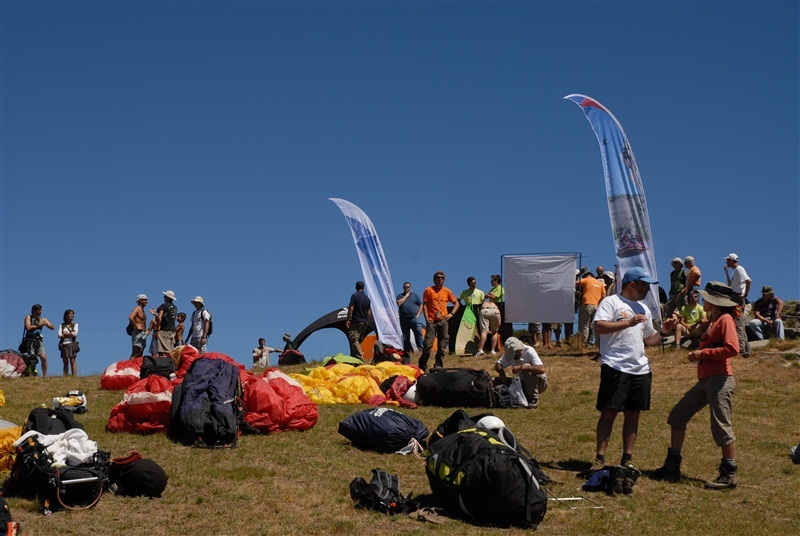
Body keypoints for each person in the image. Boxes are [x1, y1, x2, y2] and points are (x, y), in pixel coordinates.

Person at [591, 267, 676, 494]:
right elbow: (598, 327)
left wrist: (664, 331)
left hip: (640, 368)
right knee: (609, 412)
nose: (648, 289)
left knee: (633, 413)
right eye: (644, 284)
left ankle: (627, 458)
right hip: (615, 365)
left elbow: (649, 340)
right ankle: (599, 458)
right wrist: (627, 323)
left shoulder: (645, 309)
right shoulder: (611, 302)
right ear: (632, 284)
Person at [652, 282, 742, 489]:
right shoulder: (713, 320)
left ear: (715, 301)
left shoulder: (725, 319)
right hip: (706, 380)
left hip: (720, 379)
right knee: (677, 416)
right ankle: (672, 466)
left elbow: (732, 348)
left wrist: (703, 354)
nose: (703, 300)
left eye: (706, 297)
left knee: (721, 425)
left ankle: (729, 475)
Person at [419, 271, 460, 371]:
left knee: (442, 346)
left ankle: (438, 365)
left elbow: (457, 303)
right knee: (428, 345)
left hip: (443, 321)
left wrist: (452, 314)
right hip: (432, 321)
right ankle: (422, 366)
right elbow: (424, 305)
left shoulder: (447, 291)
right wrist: (427, 319)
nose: (440, 279)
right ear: (434, 280)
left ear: (444, 280)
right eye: (438, 277)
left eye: (442, 278)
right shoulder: (428, 290)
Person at [494, 336, 547, 408]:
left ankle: (533, 399)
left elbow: (541, 369)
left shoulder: (529, 351)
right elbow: (498, 364)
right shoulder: (511, 352)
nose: (513, 358)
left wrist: (522, 367)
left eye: (514, 356)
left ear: (518, 350)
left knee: (526, 367)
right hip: (521, 383)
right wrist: (501, 372)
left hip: (539, 383)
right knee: (495, 380)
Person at [723, 253, 751, 356]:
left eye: (727, 260)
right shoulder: (736, 271)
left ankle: (742, 350)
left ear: (731, 260)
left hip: (737, 298)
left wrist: (745, 294)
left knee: (738, 323)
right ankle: (746, 349)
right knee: (739, 324)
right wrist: (726, 273)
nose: (726, 262)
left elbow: (748, 281)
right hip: (735, 296)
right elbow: (731, 285)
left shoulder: (739, 269)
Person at [23, 304, 55, 377]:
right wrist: (38, 326)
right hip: (30, 339)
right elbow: (28, 327)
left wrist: (46, 324)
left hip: (39, 339)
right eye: (39, 310)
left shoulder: (42, 319)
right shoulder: (28, 317)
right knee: (32, 358)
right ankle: (31, 373)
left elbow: (52, 327)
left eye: (41, 310)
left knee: (43, 357)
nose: (40, 312)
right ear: (34, 310)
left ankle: (45, 375)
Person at [577, 268, 606, 347]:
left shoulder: (586, 280)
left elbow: (576, 283)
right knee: (595, 325)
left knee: (585, 325)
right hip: (597, 306)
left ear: (587, 276)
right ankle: (597, 344)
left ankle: (582, 343)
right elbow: (604, 295)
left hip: (587, 304)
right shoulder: (600, 283)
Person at [396, 281, 424, 361]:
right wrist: (406, 296)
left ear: (410, 287)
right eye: (405, 287)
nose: (406, 288)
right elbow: (399, 303)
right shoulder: (400, 296)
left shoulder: (415, 295)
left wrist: (418, 314)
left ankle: (421, 350)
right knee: (406, 337)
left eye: (408, 287)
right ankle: (407, 352)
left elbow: (421, 304)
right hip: (404, 319)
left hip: (414, 318)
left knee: (418, 334)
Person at [345, 281, 371, 361]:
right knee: (359, 341)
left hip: (356, 321)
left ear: (356, 288)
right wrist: (366, 318)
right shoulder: (367, 298)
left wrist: (348, 319)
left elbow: (351, 308)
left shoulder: (354, 296)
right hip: (364, 321)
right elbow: (369, 311)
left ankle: (360, 359)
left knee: (353, 339)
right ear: (363, 288)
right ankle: (354, 360)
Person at [153, 290, 178, 355]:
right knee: (169, 350)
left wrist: (157, 329)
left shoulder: (164, 306)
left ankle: (163, 364)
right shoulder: (175, 308)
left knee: (161, 351)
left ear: (167, 297)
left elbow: (159, 317)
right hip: (172, 330)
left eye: (165, 296)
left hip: (164, 331)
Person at [57, 309, 78, 376]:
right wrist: (70, 334)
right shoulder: (61, 325)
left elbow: (75, 333)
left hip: (72, 344)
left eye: (72, 314)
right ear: (66, 315)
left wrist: (65, 334)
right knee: (65, 362)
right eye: (70, 313)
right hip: (64, 344)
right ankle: (65, 375)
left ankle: (74, 376)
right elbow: (59, 335)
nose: (72, 315)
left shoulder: (75, 324)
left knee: (72, 361)